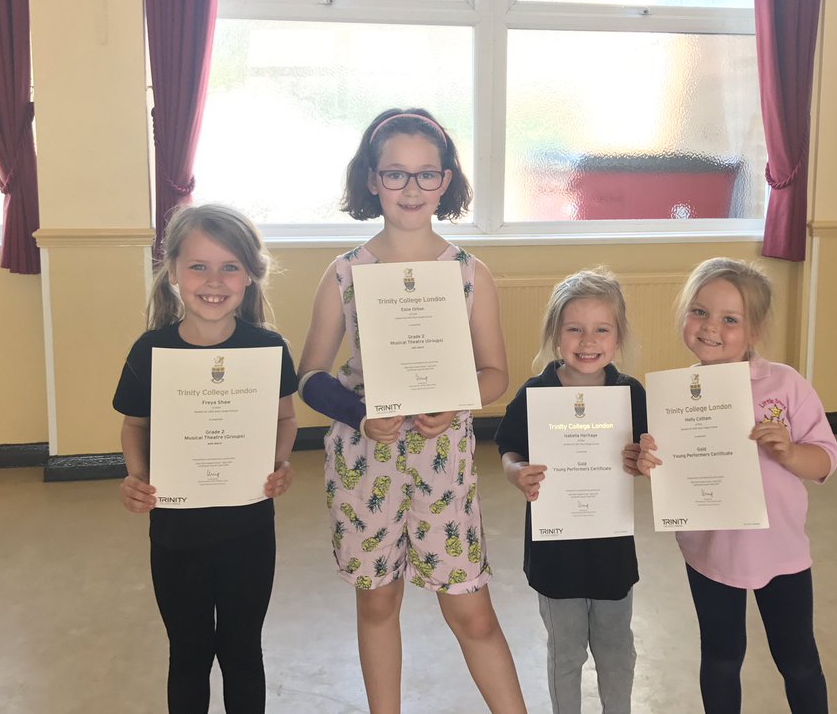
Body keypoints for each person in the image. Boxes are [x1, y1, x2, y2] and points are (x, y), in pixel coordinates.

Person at [297, 108, 526, 714]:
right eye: (395, 173)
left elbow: (495, 374)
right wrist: (358, 414)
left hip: (442, 465)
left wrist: (455, 400)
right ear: (372, 179)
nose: (411, 188)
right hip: (364, 464)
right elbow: (310, 378)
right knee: (378, 604)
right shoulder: (344, 272)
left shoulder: (469, 274)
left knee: (472, 612)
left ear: (445, 181)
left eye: (427, 174)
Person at [114, 204, 299, 714]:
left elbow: (285, 418)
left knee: (243, 652)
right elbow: (135, 425)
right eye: (198, 266)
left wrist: (279, 464)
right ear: (173, 271)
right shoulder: (149, 351)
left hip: (249, 529)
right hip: (176, 534)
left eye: (230, 266)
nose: (214, 281)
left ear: (250, 275)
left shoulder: (269, 349)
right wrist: (136, 478)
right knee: (189, 653)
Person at [637, 257, 837, 714]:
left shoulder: (785, 385)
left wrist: (790, 452)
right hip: (710, 552)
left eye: (730, 319)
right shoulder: (676, 396)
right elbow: (669, 469)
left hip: (781, 552)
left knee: (798, 661)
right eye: (699, 312)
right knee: (721, 658)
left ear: (755, 331)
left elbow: (826, 459)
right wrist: (651, 462)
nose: (711, 327)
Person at [494, 268, 647, 714]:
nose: (588, 341)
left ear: (618, 336)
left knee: (616, 648)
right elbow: (508, 447)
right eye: (575, 329)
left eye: (602, 329)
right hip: (555, 550)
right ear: (555, 335)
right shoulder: (535, 393)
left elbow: (646, 454)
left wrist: (644, 461)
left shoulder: (629, 393)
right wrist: (515, 472)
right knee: (565, 652)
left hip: (611, 548)